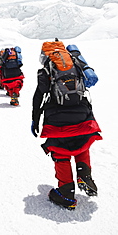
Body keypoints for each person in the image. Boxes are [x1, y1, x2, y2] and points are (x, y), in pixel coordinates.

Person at [31, 39, 102, 210]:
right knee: (81, 143)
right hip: (82, 113)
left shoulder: (47, 69)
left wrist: (35, 119)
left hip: (57, 118)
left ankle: (66, 192)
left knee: (61, 152)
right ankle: (84, 174)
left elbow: (39, 96)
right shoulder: (76, 62)